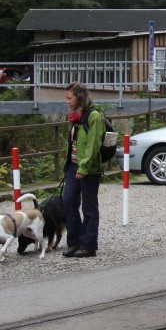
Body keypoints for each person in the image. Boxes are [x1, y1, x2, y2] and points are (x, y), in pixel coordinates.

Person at [62, 82, 104, 257]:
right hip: (73, 166)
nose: (68, 102)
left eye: (69, 98)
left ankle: (88, 245)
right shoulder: (75, 117)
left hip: (89, 169)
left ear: (79, 97)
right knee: (68, 201)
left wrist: (84, 166)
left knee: (89, 207)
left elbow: (93, 144)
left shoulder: (93, 116)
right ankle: (74, 242)